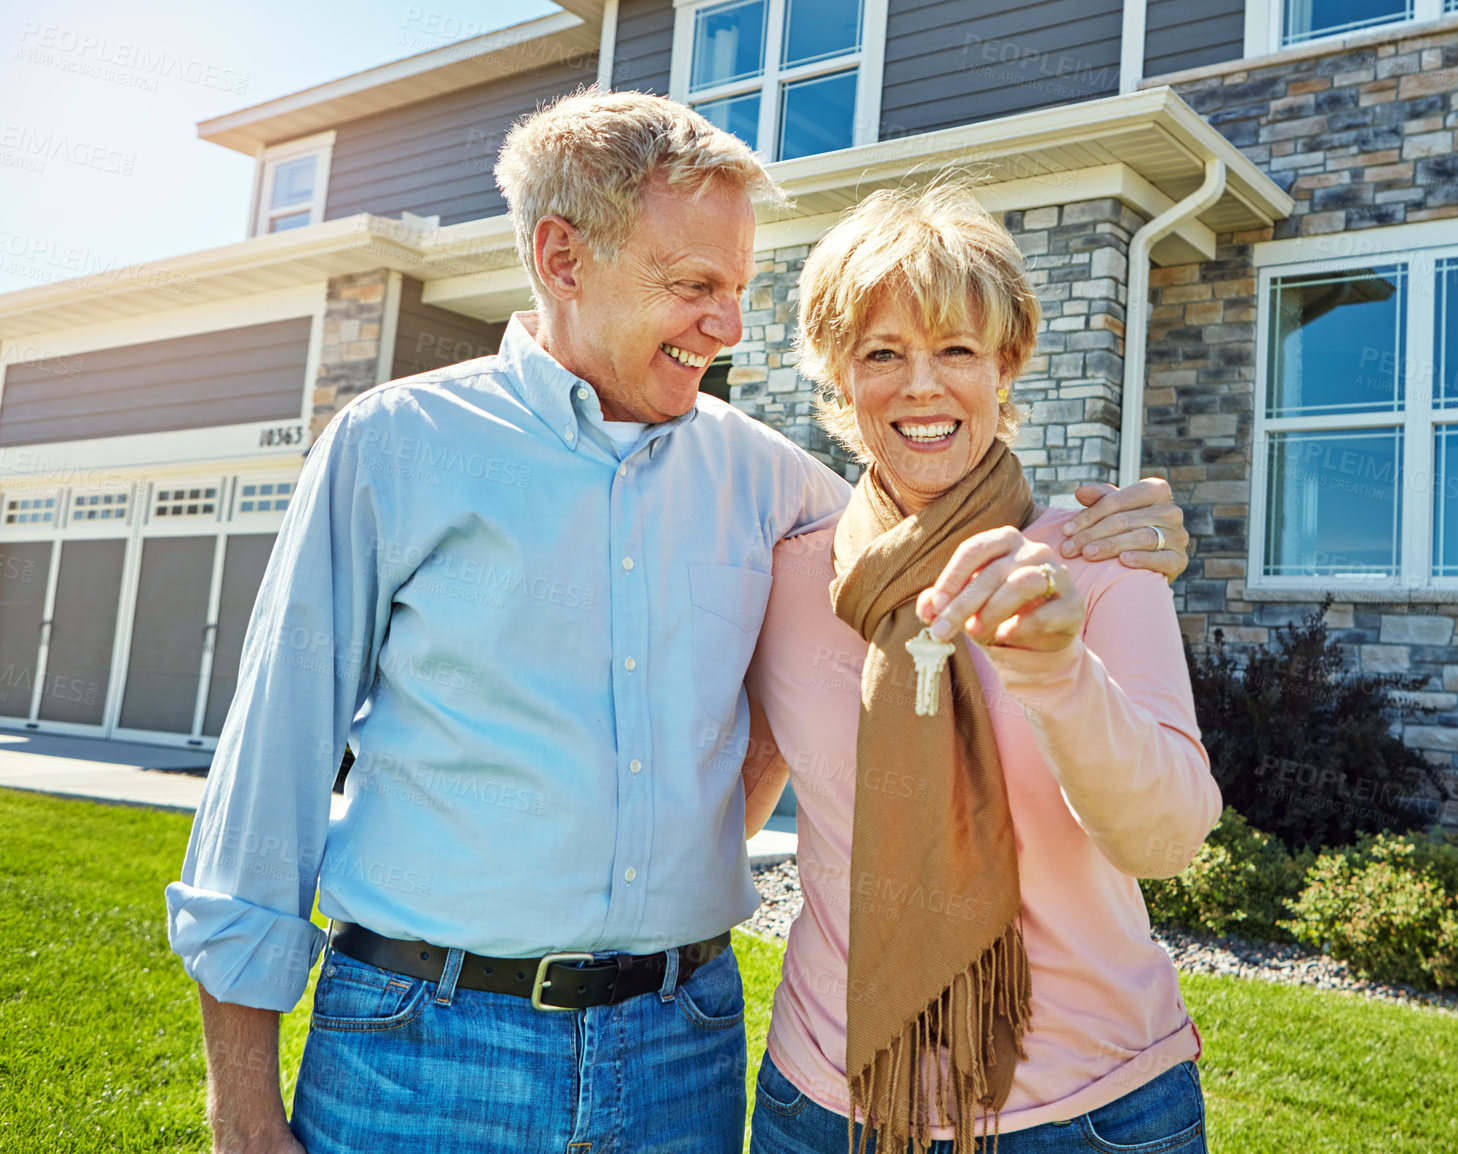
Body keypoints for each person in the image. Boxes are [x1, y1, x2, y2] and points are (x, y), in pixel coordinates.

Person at [166, 89, 1192, 1154]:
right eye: (694, 284)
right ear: (562, 258)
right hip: (424, 1046)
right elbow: (268, 773)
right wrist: (239, 1104)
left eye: (740, 289)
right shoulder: (397, 444)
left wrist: (1117, 529)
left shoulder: (769, 481)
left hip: (679, 1045)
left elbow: (926, 505)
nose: (729, 325)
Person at [741, 184, 1221, 1154]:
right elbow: (727, 802)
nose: (922, 386)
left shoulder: (1099, 559)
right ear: (839, 380)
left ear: (1005, 370)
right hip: (824, 1103)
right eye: (882, 353)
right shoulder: (787, 576)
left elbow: (1167, 838)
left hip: (1088, 1111)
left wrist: (1056, 669)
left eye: (956, 349)